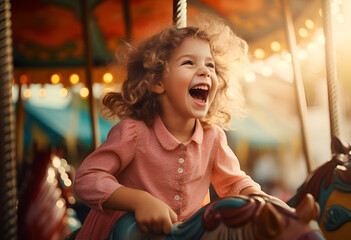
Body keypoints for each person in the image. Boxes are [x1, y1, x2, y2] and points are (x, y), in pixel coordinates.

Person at [74, 15, 269, 240]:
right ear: (157, 82)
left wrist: (257, 197)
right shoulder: (133, 132)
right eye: (189, 62)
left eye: (210, 65)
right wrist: (139, 201)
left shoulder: (212, 137)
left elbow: (233, 182)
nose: (205, 71)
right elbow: (88, 178)